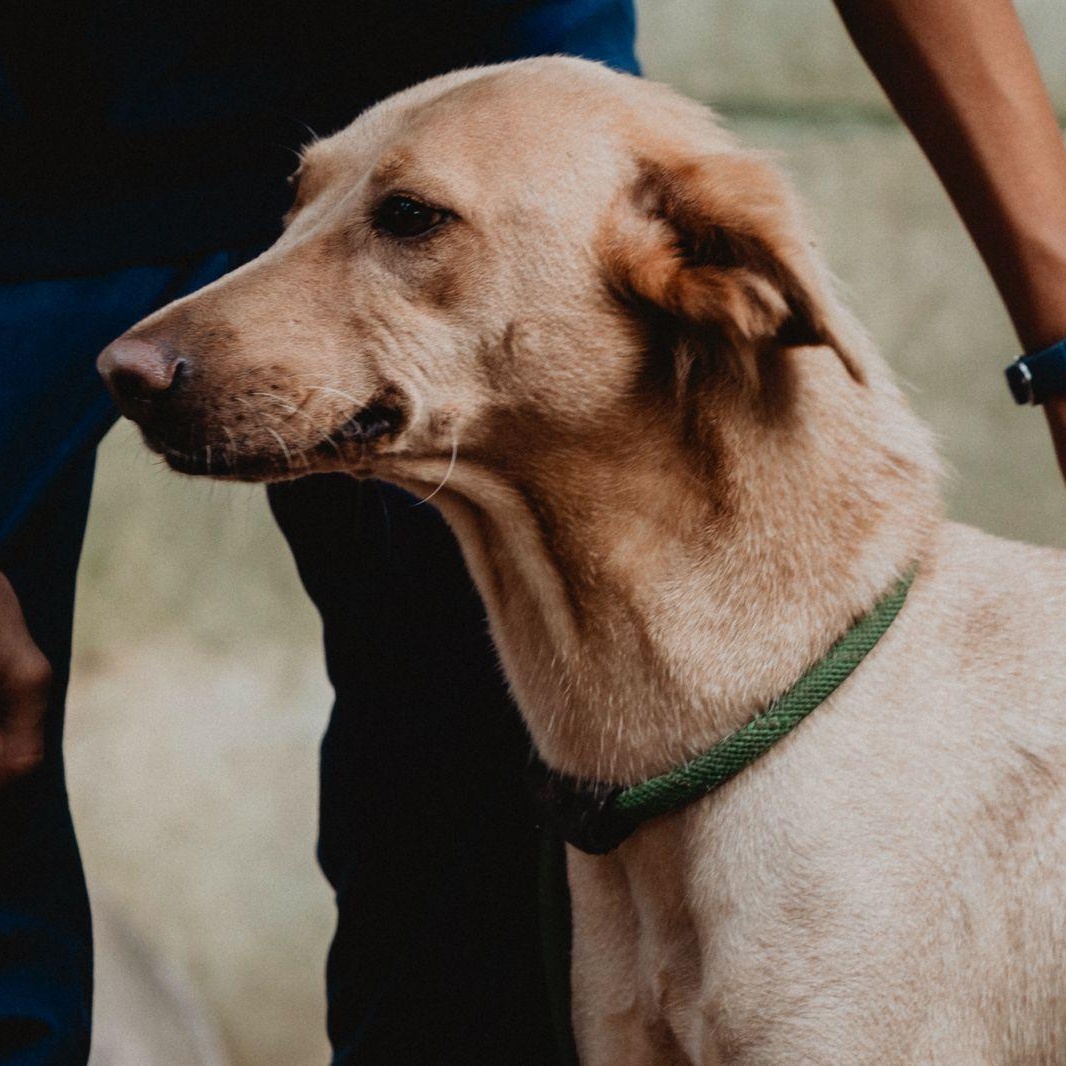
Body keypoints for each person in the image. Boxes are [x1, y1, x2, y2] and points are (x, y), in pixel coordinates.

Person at [1, 2, 1064, 1062]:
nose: (153, 350)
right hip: (42, 146)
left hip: (482, 45)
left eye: (411, 219)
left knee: (457, 927)